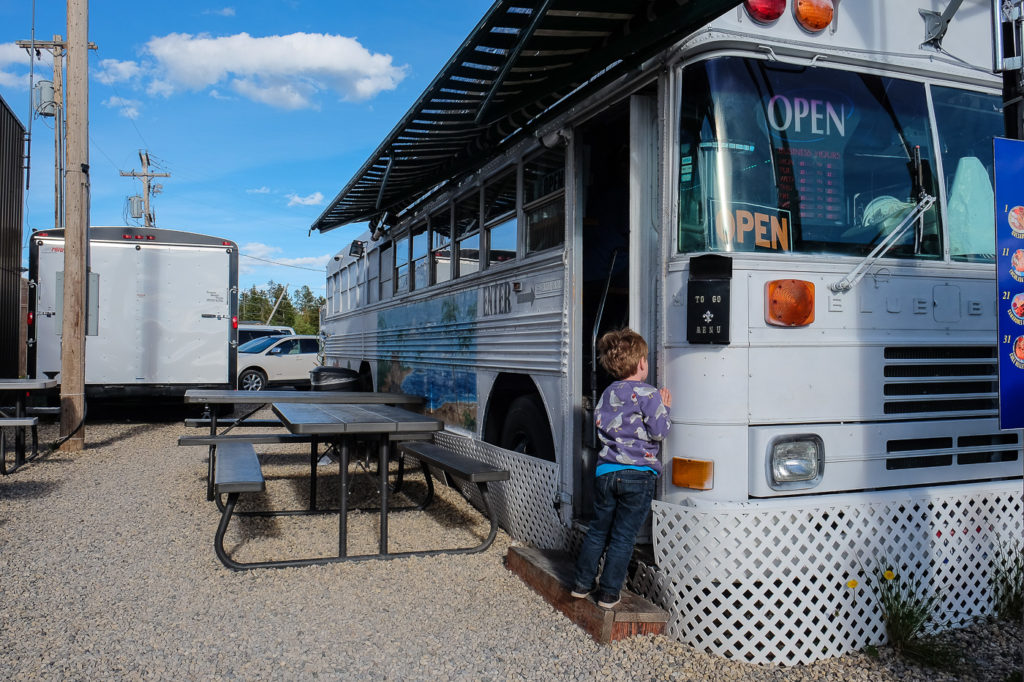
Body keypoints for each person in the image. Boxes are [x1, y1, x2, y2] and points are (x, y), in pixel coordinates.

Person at [571, 328, 672, 609]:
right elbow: (660, 432)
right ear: (641, 363)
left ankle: (581, 584)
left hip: (605, 473)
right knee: (623, 536)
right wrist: (665, 408)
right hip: (637, 476)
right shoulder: (648, 394)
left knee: (598, 530)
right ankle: (608, 593)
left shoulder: (606, 394)